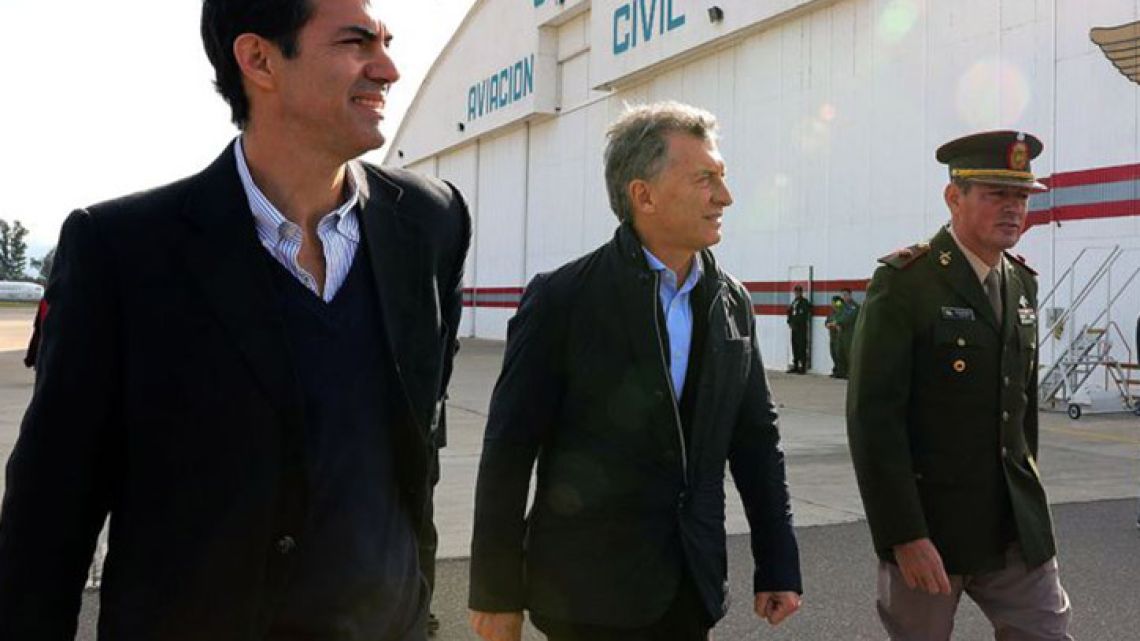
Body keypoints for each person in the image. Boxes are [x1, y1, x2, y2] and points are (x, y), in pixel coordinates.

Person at [0, 1, 471, 639]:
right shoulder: (123, 251)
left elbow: (420, 440)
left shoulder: (431, 221)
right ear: (258, 60)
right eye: (356, 43)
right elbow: (49, 512)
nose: (387, 68)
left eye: (386, 42)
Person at [467, 102, 802, 641]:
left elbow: (756, 440)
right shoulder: (563, 299)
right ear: (642, 195)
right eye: (705, 179)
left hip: (689, 587)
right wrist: (494, 590)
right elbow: (509, 449)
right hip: (586, 596)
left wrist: (778, 561)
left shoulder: (731, 302)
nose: (725, 197)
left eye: (723, 178)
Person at [847, 130, 1073, 641]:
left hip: (1013, 526)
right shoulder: (906, 282)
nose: (1014, 208)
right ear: (954, 197)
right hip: (932, 529)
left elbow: (1021, 414)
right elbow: (873, 421)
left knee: (1049, 632)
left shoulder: (1021, 282)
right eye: (997, 193)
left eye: (1021, 196)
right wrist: (903, 534)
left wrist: (1030, 506)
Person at [833, 287, 860, 380]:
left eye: (845, 295)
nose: (844, 297)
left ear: (850, 295)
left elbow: (849, 318)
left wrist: (838, 322)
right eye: (842, 295)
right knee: (839, 352)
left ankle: (851, 373)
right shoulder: (841, 305)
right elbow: (836, 314)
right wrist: (836, 322)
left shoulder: (854, 306)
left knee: (849, 353)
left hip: (850, 333)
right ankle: (842, 372)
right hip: (841, 333)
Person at [786, 284, 811, 373]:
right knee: (795, 346)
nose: (796, 293)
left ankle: (803, 366)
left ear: (801, 292)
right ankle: (796, 365)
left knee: (802, 347)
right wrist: (789, 321)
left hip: (801, 328)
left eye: (798, 292)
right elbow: (790, 312)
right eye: (795, 292)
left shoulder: (804, 302)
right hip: (794, 328)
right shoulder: (794, 302)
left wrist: (796, 322)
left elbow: (803, 315)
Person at [825, 295, 845, 378]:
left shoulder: (841, 311)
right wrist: (828, 324)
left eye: (833, 302)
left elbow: (841, 322)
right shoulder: (832, 312)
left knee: (839, 354)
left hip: (839, 337)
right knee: (833, 354)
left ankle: (842, 371)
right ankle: (836, 370)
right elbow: (827, 322)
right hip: (832, 336)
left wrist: (834, 324)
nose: (832, 304)